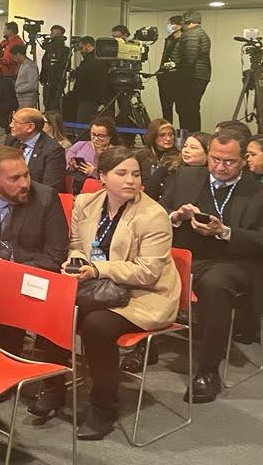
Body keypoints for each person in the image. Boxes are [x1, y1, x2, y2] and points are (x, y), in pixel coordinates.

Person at [29, 146, 179, 440]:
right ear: (102, 176)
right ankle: (53, 386)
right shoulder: (86, 203)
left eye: (136, 174)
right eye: (121, 173)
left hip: (143, 294)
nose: (131, 180)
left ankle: (103, 405)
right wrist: (76, 262)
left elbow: (148, 272)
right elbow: (76, 244)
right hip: (97, 285)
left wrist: (98, 270)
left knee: (96, 326)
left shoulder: (153, 215)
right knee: (56, 306)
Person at [164, 131, 263, 404]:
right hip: (185, 254)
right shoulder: (187, 176)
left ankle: (208, 370)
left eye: (229, 162)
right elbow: (159, 210)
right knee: (146, 267)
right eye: (215, 159)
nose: (220, 167)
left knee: (215, 284)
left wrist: (225, 232)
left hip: (232, 262)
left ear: (243, 160)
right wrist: (176, 216)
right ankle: (141, 346)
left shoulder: (256, 191)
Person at [0, 145, 68, 357]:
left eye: (26, 175)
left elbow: (55, 256)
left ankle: (3, 368)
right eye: (14, 179)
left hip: (28, 279)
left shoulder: (46, 199)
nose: (24, 183)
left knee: (2, 317)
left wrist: (7, 276)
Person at [6, 107, 66, 192]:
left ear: (30, 127)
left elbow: (50, 188)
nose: (11, 125)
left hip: (35, 196)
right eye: (12, 121)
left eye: (15, 122)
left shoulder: (53, 150)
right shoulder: (11, 140)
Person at [142, 131, 210, 201]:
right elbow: (150, 191)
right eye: (185, 146)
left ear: (207, 153)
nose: (186, 150)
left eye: (193, 148)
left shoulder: (211, 175)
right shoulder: (169, 166)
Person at [174, 10, 211, 132]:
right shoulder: (201, 33)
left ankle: (188, 136)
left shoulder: (191, 34)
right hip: (201, 75)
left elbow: (190, 59)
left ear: (188, 22)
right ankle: (194, 135)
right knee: (193, 108)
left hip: (192, 76)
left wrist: (181, 77)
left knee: (186, 109)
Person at [65, 115, 119, 191]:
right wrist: (73, 166)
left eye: (101, 136)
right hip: (74, 183)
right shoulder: (80, 145)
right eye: (93, 134)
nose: (96, 138)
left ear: (110, 136)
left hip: (101, 189)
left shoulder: (116, 153)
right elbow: (64, 165)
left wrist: (94, 172)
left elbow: (117, 176)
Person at [65, 36, 109, 124]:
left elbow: (84, 71)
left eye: (81, 48)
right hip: (86, 96)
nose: (80, 51)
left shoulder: (95, 59)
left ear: (88, 45)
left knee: (83, 121)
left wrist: (74, 73)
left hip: (89, 97)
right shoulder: (92, 59)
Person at [156, 15, 183, 122]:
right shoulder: (169, 40)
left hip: (177, 77)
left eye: (170, 24)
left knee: (180, 108)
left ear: (179, 26)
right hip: (164, 77)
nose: (168, 26)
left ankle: (184, 131)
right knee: (166, 108)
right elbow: (165, 57)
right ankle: (167, 128)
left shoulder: (185, 40)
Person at [10, 44, 39, 109]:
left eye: (13, 57)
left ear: (18, 55)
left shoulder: (30, 66)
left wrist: (16, 89)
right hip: (20, 97)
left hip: (28, 98)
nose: (13, 59)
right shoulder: (22, 65)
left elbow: (32, 84)